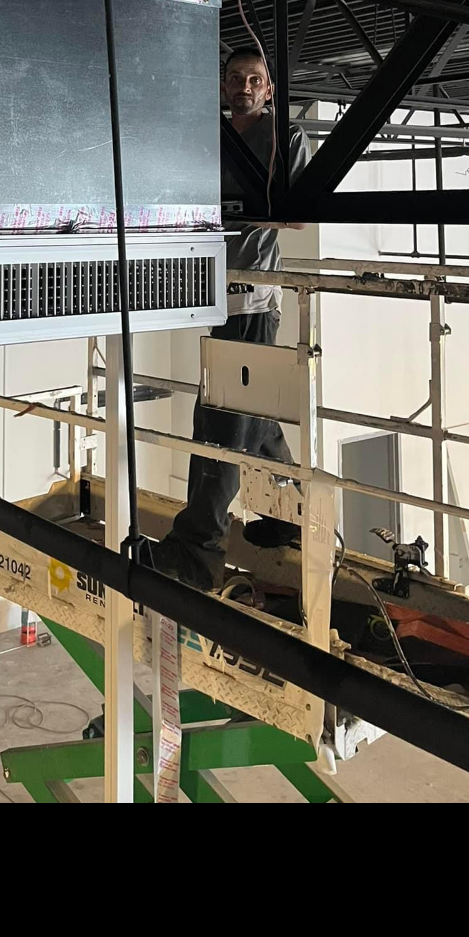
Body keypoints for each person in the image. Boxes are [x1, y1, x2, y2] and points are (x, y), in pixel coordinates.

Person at [155, 45, 310, 591]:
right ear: (223, 87)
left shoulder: (283, 139)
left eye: (254, 79)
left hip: (252, 298)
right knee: (254, 419)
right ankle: (292, 519)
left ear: (268, 89)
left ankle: (198, 550)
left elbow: (293, 217)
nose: (244, 86)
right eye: (235, 79)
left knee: (221, 424)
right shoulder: (211, 139)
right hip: (214, 292)